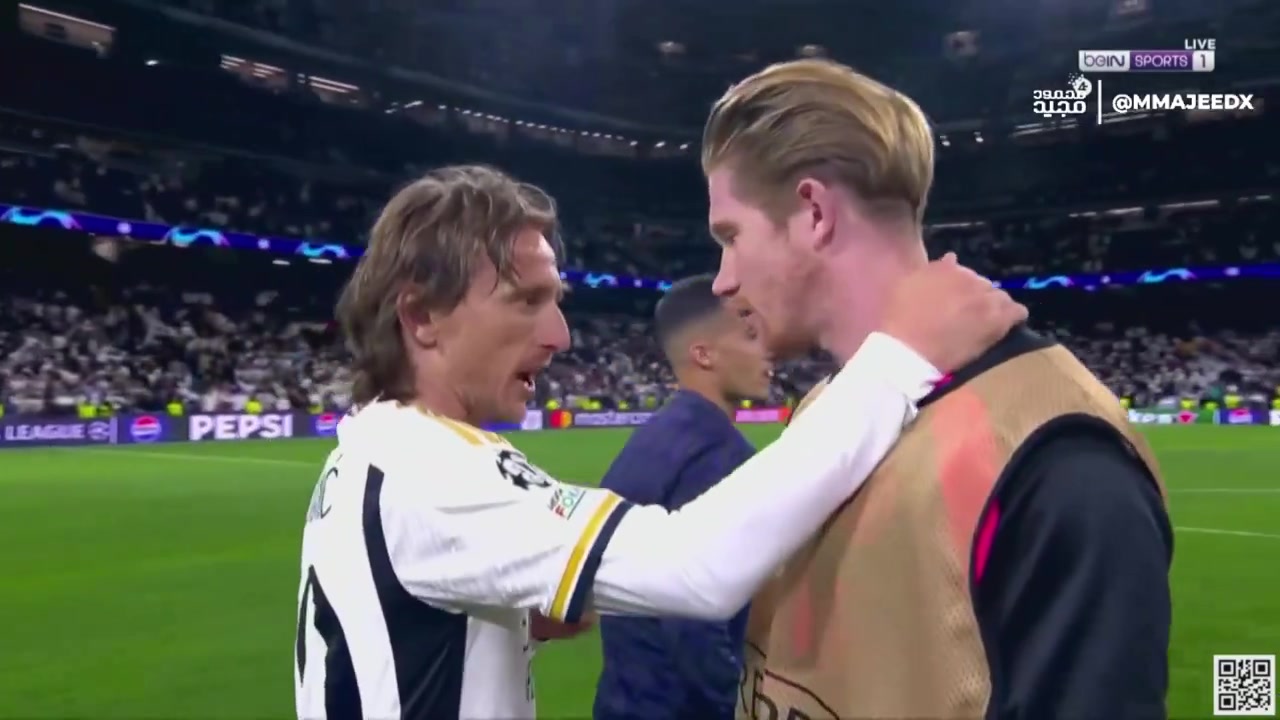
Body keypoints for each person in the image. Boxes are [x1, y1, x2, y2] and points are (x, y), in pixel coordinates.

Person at [293, 164, 1026, 720]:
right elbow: (694, 569)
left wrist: (520, 614)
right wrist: (898, 360)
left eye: (557, 302)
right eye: (526, 301)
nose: (560, 335)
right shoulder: (426, 474)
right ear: (422, 317)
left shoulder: (379, 450)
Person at [700, 59, 1173, 720]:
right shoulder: (830, 410)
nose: (722, 281)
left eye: (731, 236)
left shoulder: (1057, 460)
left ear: (813, 212)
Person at [593, 274, 771, 720]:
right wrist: (732, 704)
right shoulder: (719, 454)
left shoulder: (650, 441)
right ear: (703, 354)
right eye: (750, 335)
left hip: (624, 697)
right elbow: (693, 618)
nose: (767, 349)